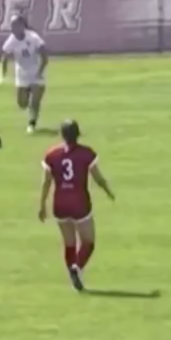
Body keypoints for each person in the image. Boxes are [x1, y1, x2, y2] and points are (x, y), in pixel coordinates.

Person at [39, 120, 115, 292]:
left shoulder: (52, 154)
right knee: (88, 242)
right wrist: (108, 191)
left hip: (59, 203)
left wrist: (42, 204)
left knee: (69, 243)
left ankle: (74, 276)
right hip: (79, 202)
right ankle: (77, 268)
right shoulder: (86, 153)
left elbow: (46, 182)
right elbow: (98, 178)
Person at [0, 14, 48, 134]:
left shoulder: (33, 37)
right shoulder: (11, 40)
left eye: (14, 25)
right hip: (22, 74)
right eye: (11, 25)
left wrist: (40, 72)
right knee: (22, 104)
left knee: (34, 102)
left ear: (22, 26)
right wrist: (2, 76)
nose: (12, 28)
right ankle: (27, 93)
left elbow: (44, 57)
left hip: (37, 72)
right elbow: (4, 58)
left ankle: (31, 124)